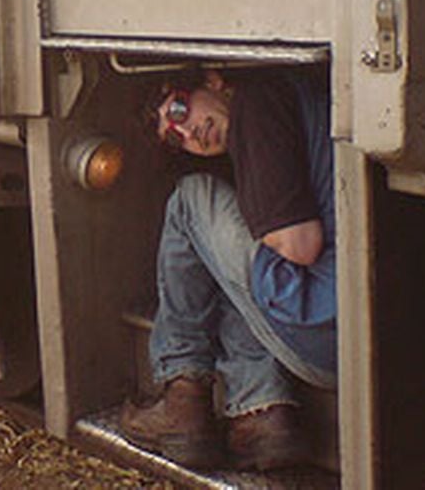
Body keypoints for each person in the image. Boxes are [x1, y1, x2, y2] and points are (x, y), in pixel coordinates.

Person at [121, 68, 337, 471]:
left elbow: (299, 246)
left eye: (180, 111)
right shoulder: (288, 92)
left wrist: (265, 227)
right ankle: (260, 414)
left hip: (324, 327)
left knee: (190, 200)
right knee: (225, 253)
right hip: (358, 325)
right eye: (175, 138)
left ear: (213, 79)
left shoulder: (255, 104)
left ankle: (184, 396)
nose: (190, 135)